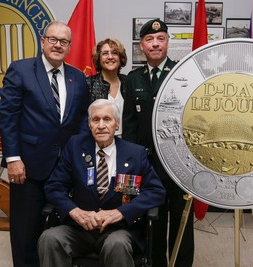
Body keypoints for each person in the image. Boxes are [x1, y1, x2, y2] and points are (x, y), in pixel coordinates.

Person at [0, 20, 89, 267]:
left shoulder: (78, 77)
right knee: (26, 231)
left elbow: (82, 118)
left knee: (58, 231)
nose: (58, 45)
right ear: (42, 41)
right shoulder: (21, 70)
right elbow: (8, 117)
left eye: (63, 41)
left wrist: (77, 155)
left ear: (70, 46)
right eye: (53, 39)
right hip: (28, 166)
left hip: (65, 169)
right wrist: (13, 159)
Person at [38, 99, 165, 267]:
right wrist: (73, 211)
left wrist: (122, 212)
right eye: (95, 120)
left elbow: (156, 191)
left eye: (107, 119)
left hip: (118, 229)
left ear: (117, 124)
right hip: (79, 229)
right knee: (49, 238)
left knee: (117, 244)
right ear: (89, 124)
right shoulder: (75, 146)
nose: (101, 125)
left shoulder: (135, 153)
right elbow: (54, 186)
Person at [122, 19, 195, 267]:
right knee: (151, 222)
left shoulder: (182, 74)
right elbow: (130, 127)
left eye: (160, 39)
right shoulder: (133, 80)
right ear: (141, 45)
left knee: (181, 224)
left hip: (179, 167)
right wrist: (132, 166)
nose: (155, 44)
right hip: (148, 166)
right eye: (149, 40)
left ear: (167, 42)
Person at [87, 38, 128, 137]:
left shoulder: (129, 82)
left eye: (114, 53)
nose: (110, 57)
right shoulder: (88, 84)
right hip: (97, 141)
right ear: (99, 58)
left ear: (120, 58)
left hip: (126, 142)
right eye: (105, 53)